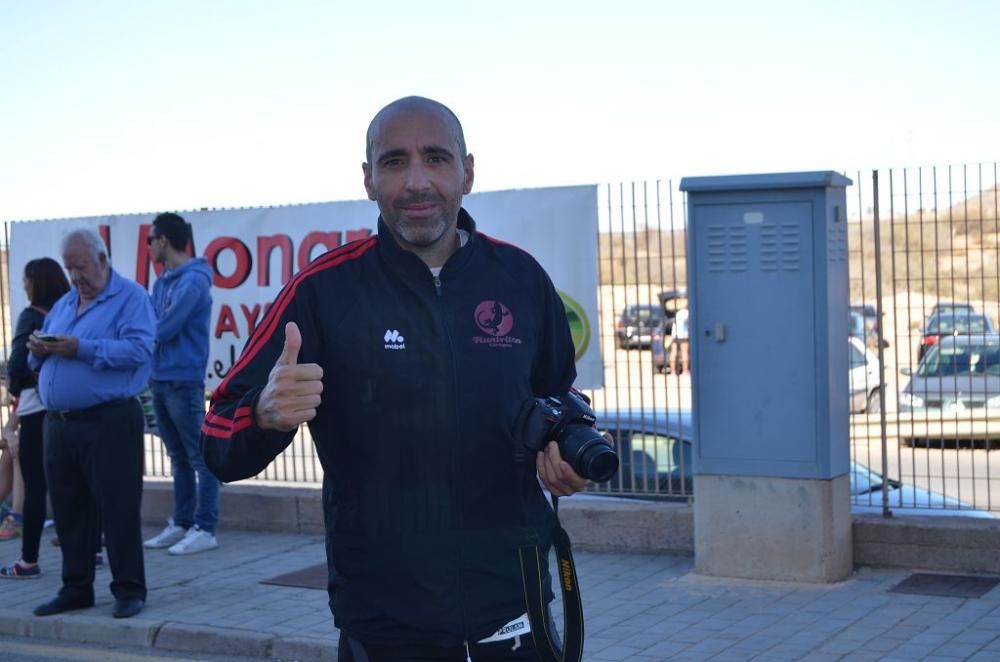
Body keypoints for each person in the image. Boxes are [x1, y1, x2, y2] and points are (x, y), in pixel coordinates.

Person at [202, 96, 590, 661]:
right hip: (386, 628)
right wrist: (261, 413)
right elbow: (217, 437)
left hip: (516, 611)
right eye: (393, 162)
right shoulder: (323, 290)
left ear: (468, 171)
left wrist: (565, 444)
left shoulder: (521, 278)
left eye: (435, 158)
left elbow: (562, 393)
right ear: (368, 179)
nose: (416, 181)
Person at [28, 227, 155, 619]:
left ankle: (129, 589)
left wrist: (79, 348)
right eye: (69, 268)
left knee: (117, 508)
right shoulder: (66, 304)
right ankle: (76, 588)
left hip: (109, 420)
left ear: (102, 260)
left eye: (81, 267)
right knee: (68, 510)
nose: (76, 276)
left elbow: (138, 349)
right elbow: (44, 359)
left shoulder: (131, 298)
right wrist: (39, 351)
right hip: (60, 424)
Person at [142, 212, 219, 556]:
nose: (148, 247)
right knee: (177, 457)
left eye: (150, 240)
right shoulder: (164, 281)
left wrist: (141, 335)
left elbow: (163, 328)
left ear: (163, 240)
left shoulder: (193, 281)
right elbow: (152, 324)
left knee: (199, 456)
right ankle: (182, 522)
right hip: (160, 378)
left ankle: (205, 527)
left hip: (183, 380)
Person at [1, 258, 70, 578]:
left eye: (27, 280)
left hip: (34, 409)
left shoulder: (31, 317)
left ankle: (28, 560)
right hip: (67, 405)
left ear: (37, 283)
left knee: (35, 485)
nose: (24, 285)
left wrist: (14, 389)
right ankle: (89, 548)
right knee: (74, 482)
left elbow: (17, 368)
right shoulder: (71, 313)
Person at [669, 306, 690, 375]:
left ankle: (672, 371)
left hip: (675, 336)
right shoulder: (688, 313)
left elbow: (674, 325)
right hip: (684, 336)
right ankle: (685, 371)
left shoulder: (677, 313)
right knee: (684, 353)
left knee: (673, 353)